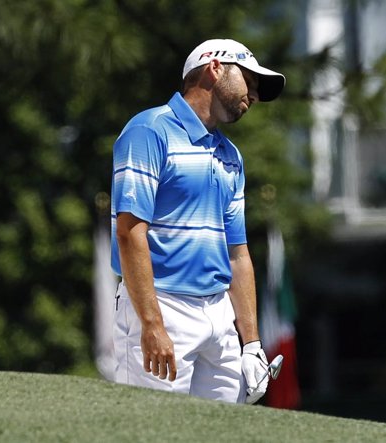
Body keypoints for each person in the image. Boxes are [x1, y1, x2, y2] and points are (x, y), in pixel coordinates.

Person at [110, 38, 285, 404]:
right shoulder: (149, 131)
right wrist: (152, 324)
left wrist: (251, 342)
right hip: (163, 304)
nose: (253, 95)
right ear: (215, 67)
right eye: (249, 81)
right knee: (154, 431)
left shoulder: (230, 155)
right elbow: (129, 232)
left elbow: (236, 253)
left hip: (218, 315)